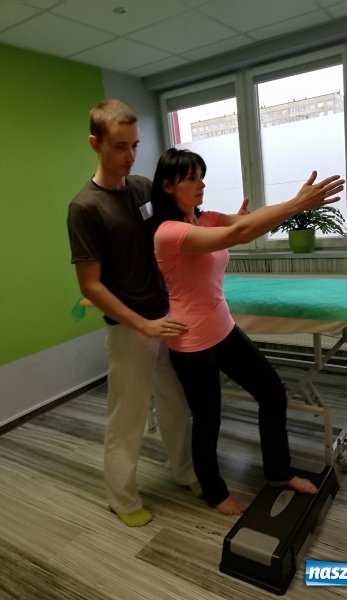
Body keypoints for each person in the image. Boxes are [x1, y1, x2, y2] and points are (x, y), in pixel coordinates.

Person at [151, 148, 345, 516]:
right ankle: (215, 492)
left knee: (272, 392)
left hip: (223, 329)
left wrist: (282, 207)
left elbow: (247, 223)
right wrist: (296, 205)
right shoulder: (168, 233)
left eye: (201, 176)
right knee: (208, 419)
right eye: (191, 178)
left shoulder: (205, 218)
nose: (201, 183)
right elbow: (240, 233)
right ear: (167, 186)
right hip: (191, 343)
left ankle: (278, 473)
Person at [67, 100, 204, 528]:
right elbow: (90, 285)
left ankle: (186, 471)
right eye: (120, 147)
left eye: (135, 146)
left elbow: (177, 231)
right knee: (128, 417)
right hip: (130, 329)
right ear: (95, 144)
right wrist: (142, 323)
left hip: (167, 317)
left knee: (177, 403)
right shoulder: (85, 207)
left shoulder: (143, 188)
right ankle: (122, 499)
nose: (130, 156)